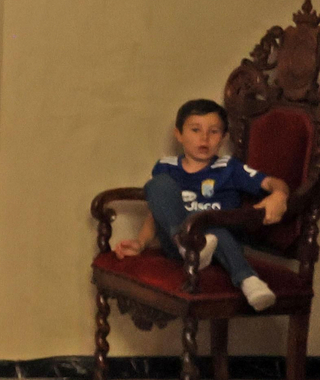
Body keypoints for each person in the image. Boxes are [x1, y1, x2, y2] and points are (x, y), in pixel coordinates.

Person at [115, 99, 289, 310]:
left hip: (219, 244)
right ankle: (184, 243)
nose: (204, 138)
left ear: (223, 137)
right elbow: (156, 213)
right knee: (157, 185)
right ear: (179, 134)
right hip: (177, 246)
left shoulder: (229, 167)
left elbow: (272, 182)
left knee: (211, 227)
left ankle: (249, 280)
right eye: (195, 130)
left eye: (213, 131)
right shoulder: (166, 168)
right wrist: (141, 243)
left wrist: (279, 194)